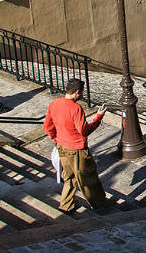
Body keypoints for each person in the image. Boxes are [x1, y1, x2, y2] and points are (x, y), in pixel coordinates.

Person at [43, 78, 113, 214]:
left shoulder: (54, 104)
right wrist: (98, 117)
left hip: (62, 146)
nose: (82, 95)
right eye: (81, 93)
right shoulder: (76, 109)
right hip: (77, 150)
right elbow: (84, 130)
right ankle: (101, 205)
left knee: (69, 177)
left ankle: (65, 205)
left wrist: (56, 138)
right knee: (89, 179)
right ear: (77, 92)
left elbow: (47, 126)